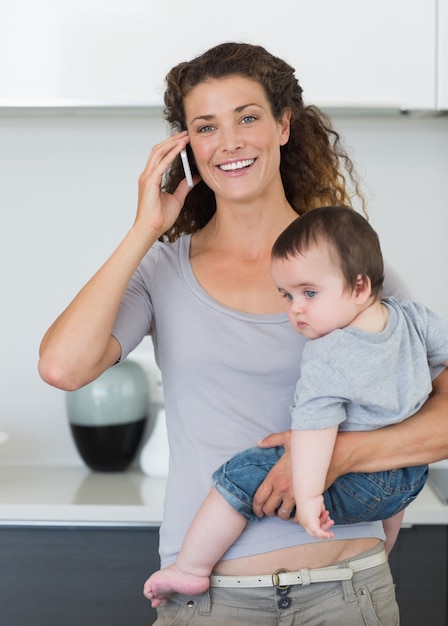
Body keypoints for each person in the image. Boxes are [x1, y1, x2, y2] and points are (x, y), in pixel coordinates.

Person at [38, 42, 448, 625]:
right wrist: (143, 229)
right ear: (186, 146)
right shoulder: (162, 270)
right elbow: (63, 367)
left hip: (348, 592)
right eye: (206, 126)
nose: (229, 142)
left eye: (247, 117)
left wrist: (332, 458)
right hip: (211, 604)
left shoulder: (348, 274)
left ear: (283, 126)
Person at [143, 205, 448, 608]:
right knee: (384, 522)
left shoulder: (327, 353)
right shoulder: (413, 318)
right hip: (409, 481)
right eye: (287, 296)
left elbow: (313, 429)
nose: (295, 309)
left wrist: (307, 499)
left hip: (357, 483)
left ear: (358, 287)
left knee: (246, 470)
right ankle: (382, 556)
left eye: (309, 293)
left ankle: (191, 568)